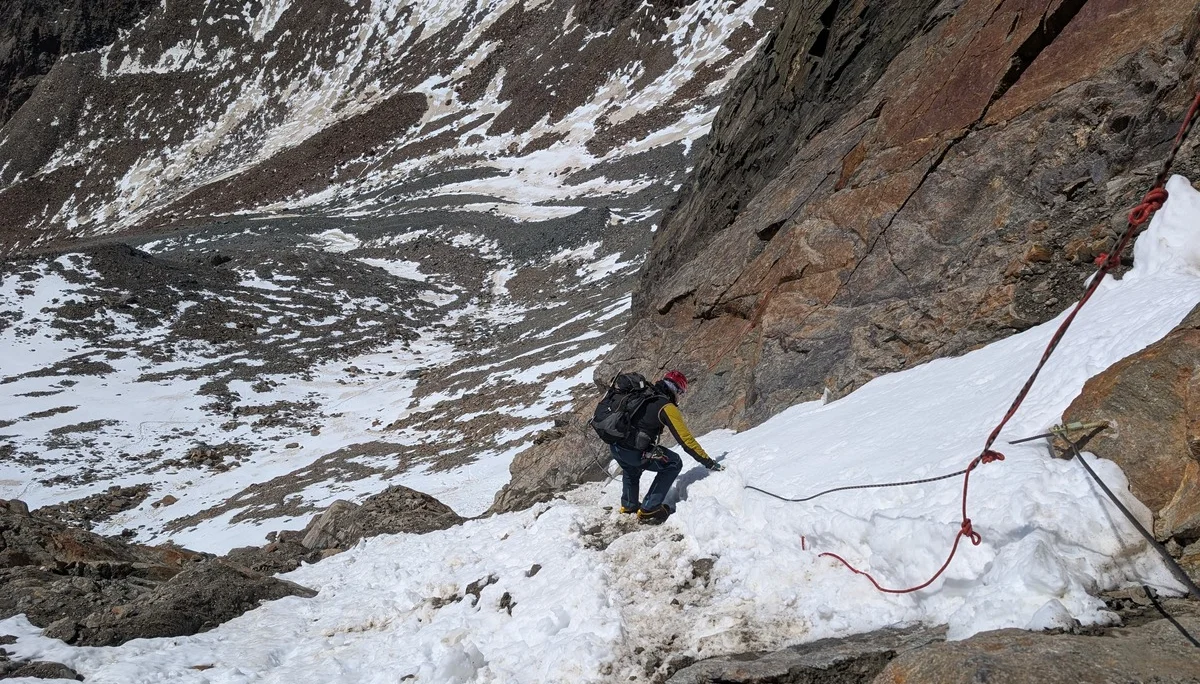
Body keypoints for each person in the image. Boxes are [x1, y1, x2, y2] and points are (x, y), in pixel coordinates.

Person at [609, 370, 724, 524]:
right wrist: (709, 462)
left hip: (616, 447)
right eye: (681, 393)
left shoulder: (644, 395)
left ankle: (629, 506)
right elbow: (686, 440)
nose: (680, 397)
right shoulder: (666, 406)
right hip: (633, 452)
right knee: (673, 463)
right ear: (675, 389)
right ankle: (650, 509)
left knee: (631, 469)